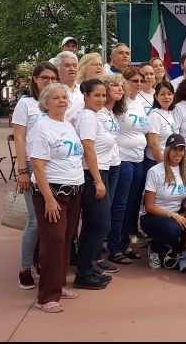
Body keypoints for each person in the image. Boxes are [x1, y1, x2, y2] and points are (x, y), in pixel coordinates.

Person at [27, 83, 85, 313]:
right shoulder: (42, 128)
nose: (62, 101)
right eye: (56, 98)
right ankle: (46, 297)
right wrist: (49, 199)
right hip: (52, 193)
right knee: (54, 243)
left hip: (74, 191)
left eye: (64, 97)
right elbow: (38, 167)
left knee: (66, 240)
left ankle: (58, 285)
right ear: (46, 103)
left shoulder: (67, 126)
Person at [12, 62, 58, 290]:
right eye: (44, 78)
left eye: (52, 78)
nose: (48, 82)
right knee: (34, 221)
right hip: (32, 166)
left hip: (55, 168)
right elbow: (19, 138)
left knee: (51, 219)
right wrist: (22, 170)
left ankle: (44, 261)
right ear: (35, 79)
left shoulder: (55, 105)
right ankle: (24, 267)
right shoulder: (26, 104)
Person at [72, 79, 114, 290]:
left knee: (91, 225)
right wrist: (98, 180)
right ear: (85, 96)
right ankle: (84, 272)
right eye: (96, 95)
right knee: (101, 225)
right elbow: (88, 148)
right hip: (91, 175)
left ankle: (85, 266)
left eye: (104, 95)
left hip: (96, 173)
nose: (101, 99)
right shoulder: (88, 117)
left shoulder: (91, 116)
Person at [108, 67, 152, 265]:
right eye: (134, 80)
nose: (139, 84)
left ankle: (124, 243)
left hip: (139, 159)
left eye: (141, 81)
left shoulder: (140, 103)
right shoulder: (119, 104)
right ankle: (114, 246)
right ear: (124, 82)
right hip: (122, 159)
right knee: (120, 205)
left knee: (133, 204)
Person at [140, 133, 186, 270]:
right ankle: (155, 247)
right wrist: (174, 215)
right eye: (175, 149)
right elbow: (149, 207)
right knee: (174, 230)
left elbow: (185, 198)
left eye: (181, 149)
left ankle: (174, 251)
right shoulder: (155, 171)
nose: (178, 153)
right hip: (154, 216)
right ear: (168, 150)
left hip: (177, 214)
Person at [96, 74, 124, 274]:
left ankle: (97, 253)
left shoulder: (112, 113)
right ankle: (95, 257)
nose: (120, 88)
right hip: (101, 167)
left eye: (122, 86)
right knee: (100, 214)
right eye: (115, 85)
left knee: (109, 209)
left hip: (114, 164)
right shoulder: (96, 113)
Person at [144, 81, 178, 173]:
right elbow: (153, 144)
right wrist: (162, 166)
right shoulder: (154, 115)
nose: (166, 97)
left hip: (169, 161)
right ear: (156, 96)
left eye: (169, 94)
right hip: (156, 162)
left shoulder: (170, 113)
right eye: (162, 94)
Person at [55, 51, 82, 125]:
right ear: (57, 70)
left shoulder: (85, 90)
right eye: (67, 66)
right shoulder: (52, 92)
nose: (72, 69)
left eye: (75, 65)